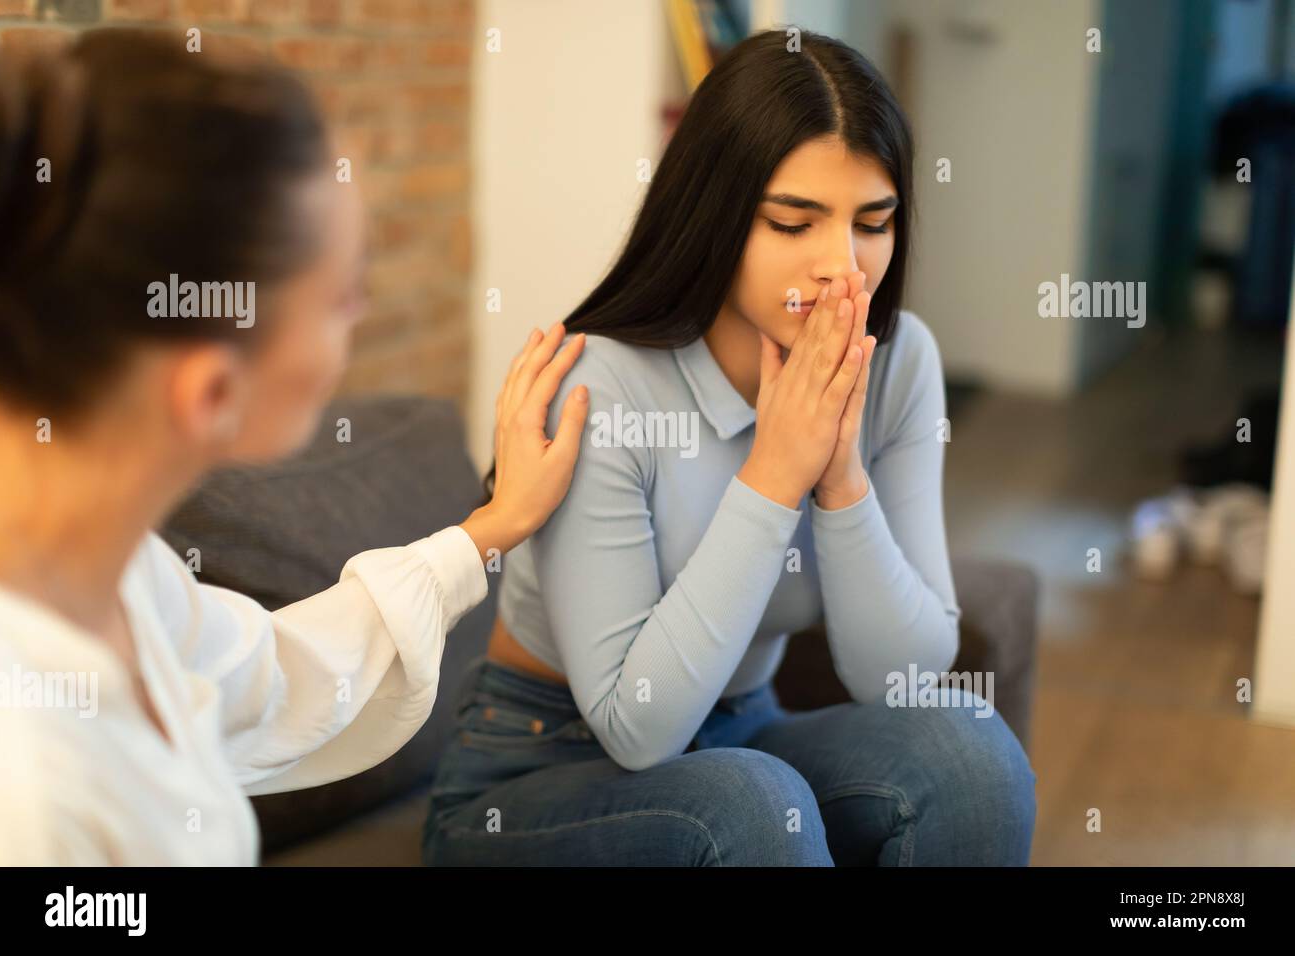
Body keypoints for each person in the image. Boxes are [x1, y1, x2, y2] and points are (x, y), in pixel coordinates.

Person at [422, 29, 1037, 866]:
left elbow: (900, 681)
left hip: (746, 729)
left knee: (974, 758)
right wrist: (775, 474)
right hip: (541, 761)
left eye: (873, 222)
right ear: (716, 213)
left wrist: (841, 477)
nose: (842, 268)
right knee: (751, 804)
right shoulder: (600, 387)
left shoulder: (899, 363)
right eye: (794, 222)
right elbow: (638, 729)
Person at [0, 29, 588, 865]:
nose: (363, 315)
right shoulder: (29, 788)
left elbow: (276, 674)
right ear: (212, 393)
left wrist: (492, 526)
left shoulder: (120, 573)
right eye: (343, 296)